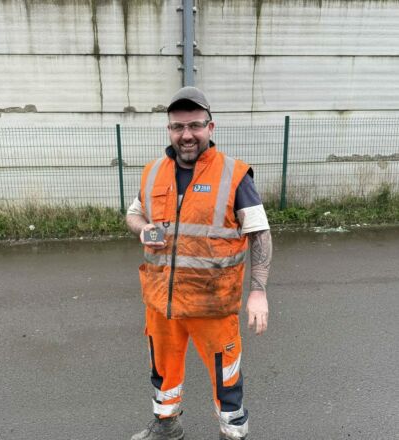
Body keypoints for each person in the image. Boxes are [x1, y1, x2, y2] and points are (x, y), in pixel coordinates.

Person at [126, 86, 272, 440]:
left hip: (213, 304)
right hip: (162, 303)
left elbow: (260, 233)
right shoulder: (152, 172)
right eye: (178, 127)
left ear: (211, 127)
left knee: (227, 377)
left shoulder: (234, 175)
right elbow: (133, 213)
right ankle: (166, 425)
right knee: (163, 371)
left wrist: (258, 291)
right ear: (169, 130)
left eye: (195, 125)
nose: (186, 134)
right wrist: (143, 228)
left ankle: (233, 433)